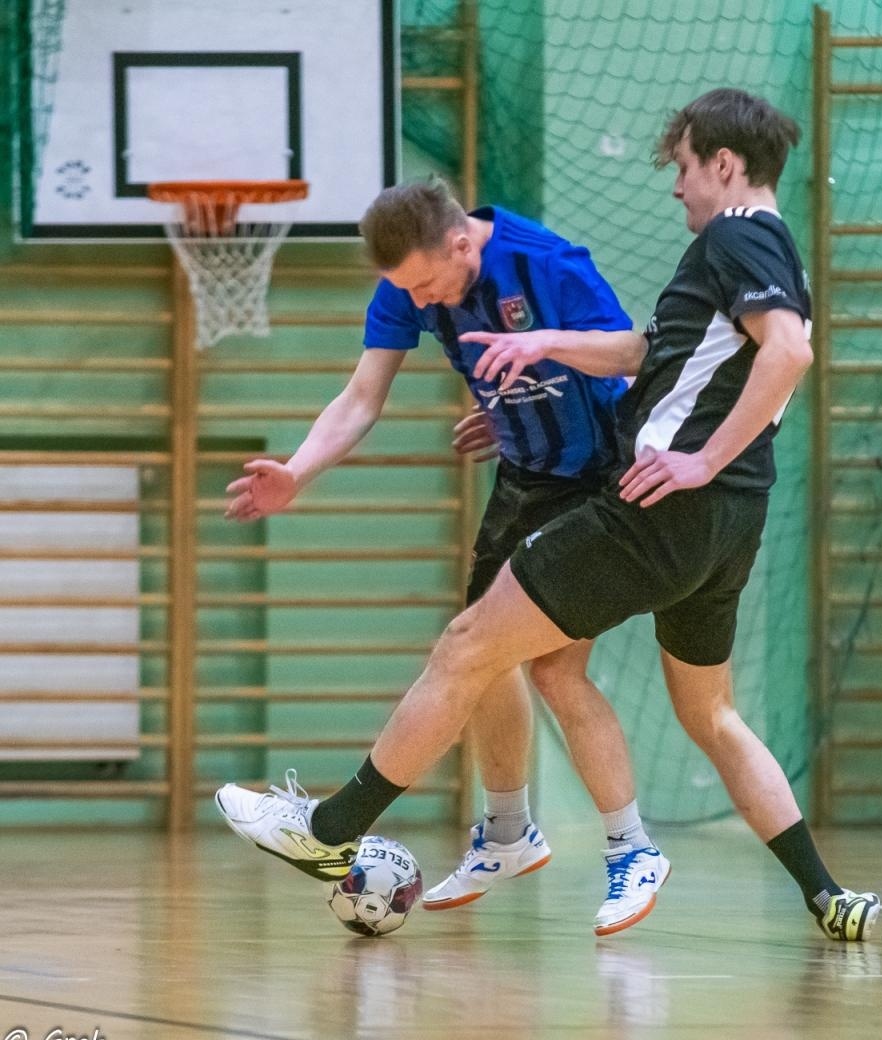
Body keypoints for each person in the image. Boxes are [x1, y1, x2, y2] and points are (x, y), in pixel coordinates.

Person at [217, 88, 879, 940]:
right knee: (693, 708)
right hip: (721, 518)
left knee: (472, 647)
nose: (675, 184)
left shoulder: (728, 236)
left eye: (683, 167)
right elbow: (650, 352)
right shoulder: (750, 249)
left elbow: (781, 351)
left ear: (723, 164)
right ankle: (824, 892)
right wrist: (536, 359)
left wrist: (700, 457)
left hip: (645, 499)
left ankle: (331, 829)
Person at [222, 179, 671, 934]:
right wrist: (297, 472)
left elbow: (632, 353)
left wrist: (545, 349)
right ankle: (509, 833)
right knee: (486, 659)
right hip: (525, 479)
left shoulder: (547, 264)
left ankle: (631, 848)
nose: (421, 301)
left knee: (545, 668)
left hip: (597, 481)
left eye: (427, 285)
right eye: (407, 290)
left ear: (463, 243)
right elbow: (361, 397)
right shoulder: (411, 282)